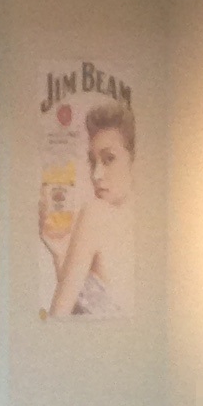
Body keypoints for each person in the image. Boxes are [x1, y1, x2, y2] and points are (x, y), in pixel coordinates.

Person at [41, 97, 134, 319]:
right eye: (93, 162)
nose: (96, 174)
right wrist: (59, 254)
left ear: (134, 158)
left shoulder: (95, 214)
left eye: (109, 159)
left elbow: (58, 322)